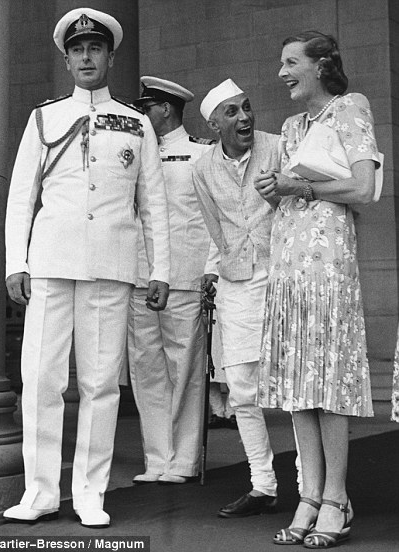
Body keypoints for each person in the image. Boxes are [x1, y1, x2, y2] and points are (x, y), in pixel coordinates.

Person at [3, 8, 170, 528]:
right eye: (77, 50)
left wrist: (159, 269)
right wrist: (17, 261)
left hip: (111, 265)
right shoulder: (44, 118)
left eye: (94, 49)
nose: (86, 57)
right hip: (51, 263)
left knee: (100, 383)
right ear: (67, 58)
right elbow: (20, 197)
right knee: (41, 378)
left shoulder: (137, 122)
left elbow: (154, 205)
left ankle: (91, 492)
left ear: (110, 56)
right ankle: (40, 492)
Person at [255, 31, 379, 547]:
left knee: (328, 387)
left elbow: (365, 188)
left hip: (328, 269)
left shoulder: (351, 107)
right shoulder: (290, 126)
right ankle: (309, 495)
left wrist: (298, 186)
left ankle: (336, 497)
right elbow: (286, 195)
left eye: (291, 62)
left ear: (321, 64)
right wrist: (271, 191)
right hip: (288, 270)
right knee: (298, 391)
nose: (282, 72)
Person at [192, 78, 280, 517]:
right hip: (238, 282)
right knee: (243, 390)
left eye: (246, 108)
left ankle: (311, 486)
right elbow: (216, 227)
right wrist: (214, 270)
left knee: (294, 389)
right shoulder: (202, 167)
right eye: (232, 112)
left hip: (284, 274)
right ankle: (263, 486)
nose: (244, 117)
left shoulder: (279, 147)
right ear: (214, 124)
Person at [128, 76, 215, 484]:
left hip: (183, 276)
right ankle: (157, 458)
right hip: (139, 277)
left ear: (164, 109)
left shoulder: (201, 155)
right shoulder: (133, 156)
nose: (142, 115)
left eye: (146, 108)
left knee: (186, 371)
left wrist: (210, 270)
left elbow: (214, 220)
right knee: (147, 370)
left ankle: (184, 460)